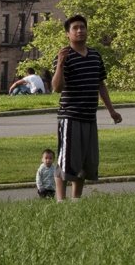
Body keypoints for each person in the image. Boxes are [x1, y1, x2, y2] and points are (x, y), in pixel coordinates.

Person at [52, 14, 122, 201]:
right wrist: (59, 64)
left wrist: (111, 110)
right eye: (75, 28)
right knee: (66, 161)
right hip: (70, 116)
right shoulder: (64, 56)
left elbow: (100, 84)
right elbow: (57, 87)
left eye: (82, 27)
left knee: (85, 161)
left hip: (89, 116)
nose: (80, 31)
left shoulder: (95, 56)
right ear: (68, 33)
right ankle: (61, 200)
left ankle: (76, 199)